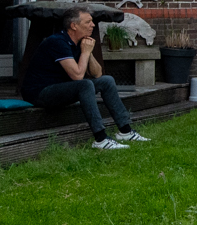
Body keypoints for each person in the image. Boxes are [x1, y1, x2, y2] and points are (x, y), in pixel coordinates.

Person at [19, 8, 150, 148]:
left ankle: (125, 131)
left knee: (107, 81)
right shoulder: (57, 42)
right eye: (88, 22)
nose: (92, 25)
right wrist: (85, 53)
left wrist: (88, 52)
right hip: (39, 92)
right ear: (74, 25)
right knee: (85, 84)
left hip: (60, 88)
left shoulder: (79, 42)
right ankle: (100, 139)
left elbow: (97, 74)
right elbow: (77, 76)